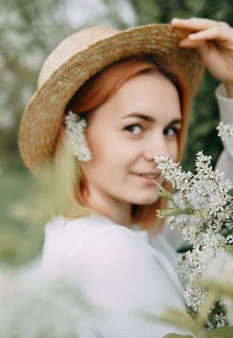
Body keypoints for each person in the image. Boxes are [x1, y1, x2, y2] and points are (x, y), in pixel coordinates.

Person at [19, 17, 233, 337]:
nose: (162, 152)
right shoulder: (111, 254)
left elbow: (218, 202)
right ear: (73, 134)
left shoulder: (104, 226)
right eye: (135, 127)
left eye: (170, 130)